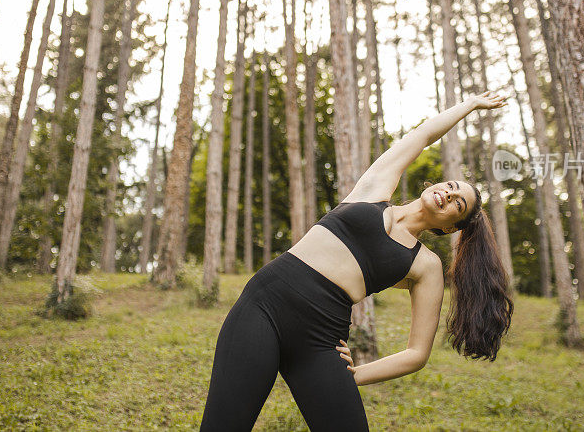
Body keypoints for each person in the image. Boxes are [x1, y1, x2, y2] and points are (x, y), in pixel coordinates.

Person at [199, 91, 513, 431]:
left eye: (458, 204)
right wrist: (468, 105)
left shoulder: (424, 266)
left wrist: (357, 373)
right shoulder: (375, 189)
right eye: (452, 186)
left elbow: (417, 353)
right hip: (263, 306)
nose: (450, 193)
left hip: (319, 339)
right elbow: (423, 135)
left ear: (451, 226)